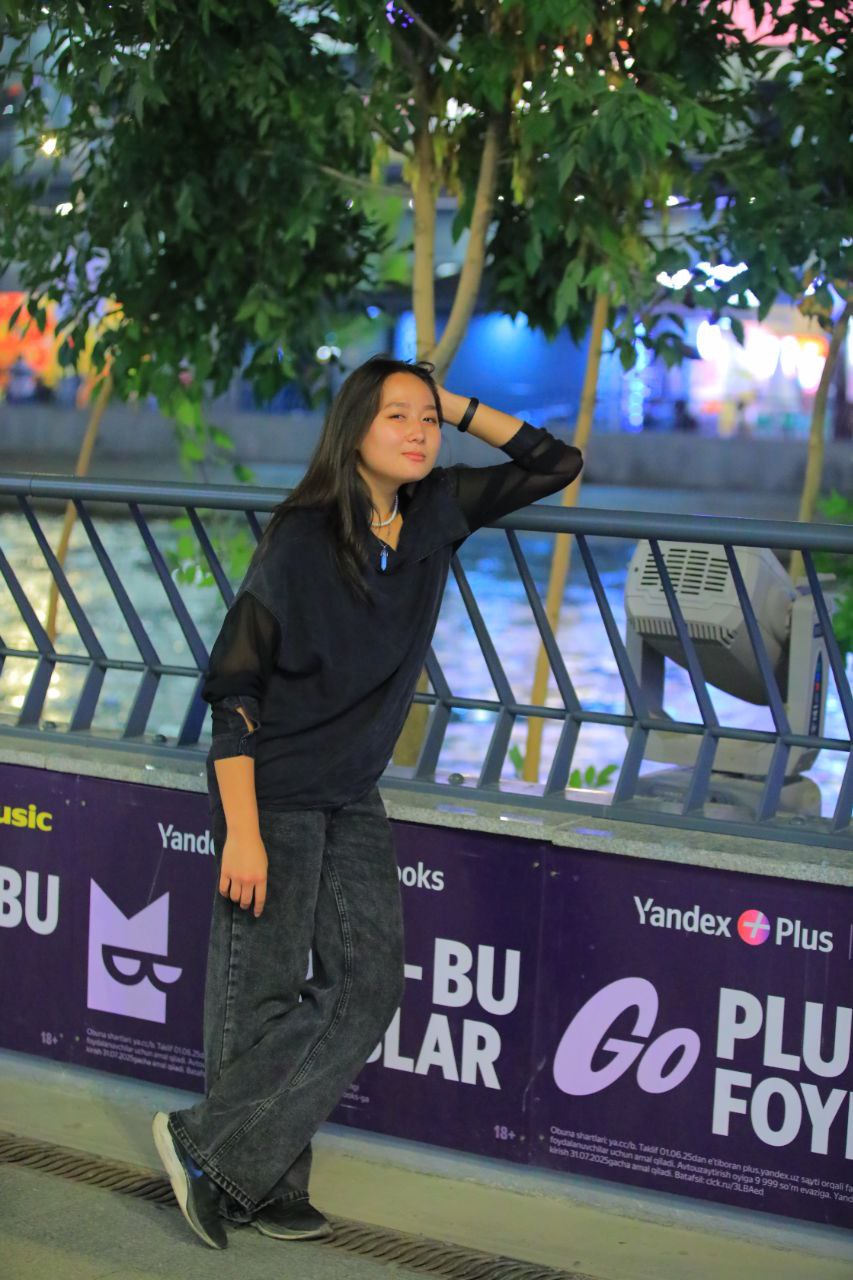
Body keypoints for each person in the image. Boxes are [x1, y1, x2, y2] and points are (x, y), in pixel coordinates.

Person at [152, 354, 584, 1250]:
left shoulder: (435, 513)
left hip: (349, 789)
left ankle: (210, 1150)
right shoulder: (302, 539)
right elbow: (234, 692)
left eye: (428, 419)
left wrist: (452, 400)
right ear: (352, 432)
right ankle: (261, 1182)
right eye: (397, 416)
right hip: (269, 788)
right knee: (261, 993)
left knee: (368, 983)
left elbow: (555, 462)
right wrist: (242, 832)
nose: (419, 433)